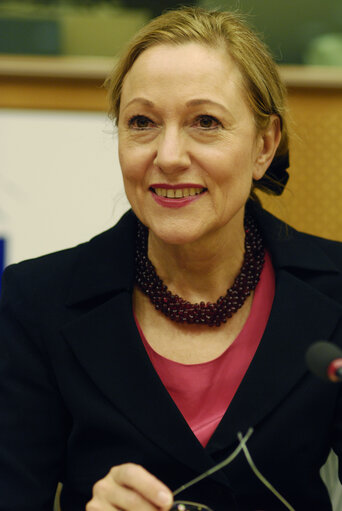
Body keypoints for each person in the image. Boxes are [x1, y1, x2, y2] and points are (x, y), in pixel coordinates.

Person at [1, 6, 342, 511]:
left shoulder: (333, 291)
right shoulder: (34, 303)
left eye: (205, 122)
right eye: (142, 122)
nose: (168, 156)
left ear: (264, 145)